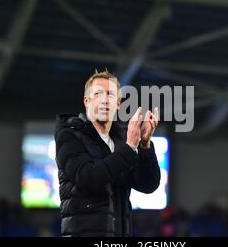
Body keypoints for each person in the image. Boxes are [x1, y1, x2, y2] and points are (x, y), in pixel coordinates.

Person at [54, 69, 160, 237]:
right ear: (86, 101)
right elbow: (89, 178)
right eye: (97, 94)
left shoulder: (120, 142)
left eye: (110, 95)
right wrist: (130, 147)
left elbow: (148, 184)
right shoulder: (70, 135)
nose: (104, 100)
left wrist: (144, 145)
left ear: (118, 104)